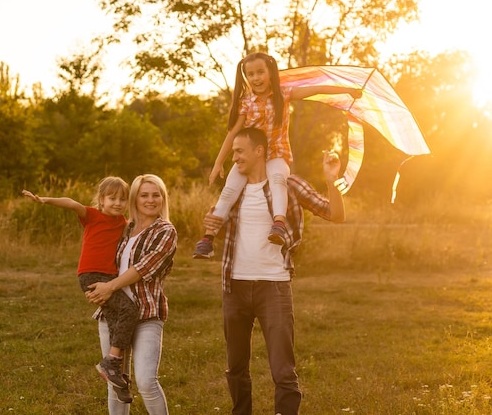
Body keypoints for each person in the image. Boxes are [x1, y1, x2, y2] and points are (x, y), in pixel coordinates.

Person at [203, 127, 345, 415]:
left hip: (274, 287)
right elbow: (212, 228)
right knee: (236, 368)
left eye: (239, 151)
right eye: (233, 153)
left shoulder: (286, 183)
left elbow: (336, 214)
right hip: (235, 286)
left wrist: (331, 181)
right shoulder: (233, 189)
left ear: (259, 151)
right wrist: (209, 225)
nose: (235, 158)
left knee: (283, 370)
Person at [193, 52, 359, 259]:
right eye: (250, 74)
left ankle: (278, 223)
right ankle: (207, 240)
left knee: (278, 180)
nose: (256, 78)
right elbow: (232, 133)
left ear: (270, 72)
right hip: (251, 158)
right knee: (228, 191)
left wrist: (347, 90)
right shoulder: (246, 102)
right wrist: (218, 163)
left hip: (276, 154)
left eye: (260, 72)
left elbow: (316, 90)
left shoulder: (283, 94)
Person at [21, 177, 138, 401]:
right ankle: (111, 362)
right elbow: (72, 203)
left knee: (116, 321)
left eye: (122, 199)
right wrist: (45, 200)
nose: (117, 203)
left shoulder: (124, 223)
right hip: (92, 276)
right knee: (128, 310)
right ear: (101, 200)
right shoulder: (92, 216)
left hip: (111, 278)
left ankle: (118, 377)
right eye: (112, 198)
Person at [86, 174, 177, 415]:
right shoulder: (124, 227)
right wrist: (93, 283)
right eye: (144, 195)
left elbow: (143, 268)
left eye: (156, 195)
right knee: (115, 383)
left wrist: (110, 287)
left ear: (163, 198)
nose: (150, 200)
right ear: (135, 199)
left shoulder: (165, 231)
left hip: (147, 312)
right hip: (113, 313)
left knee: (146, 382)